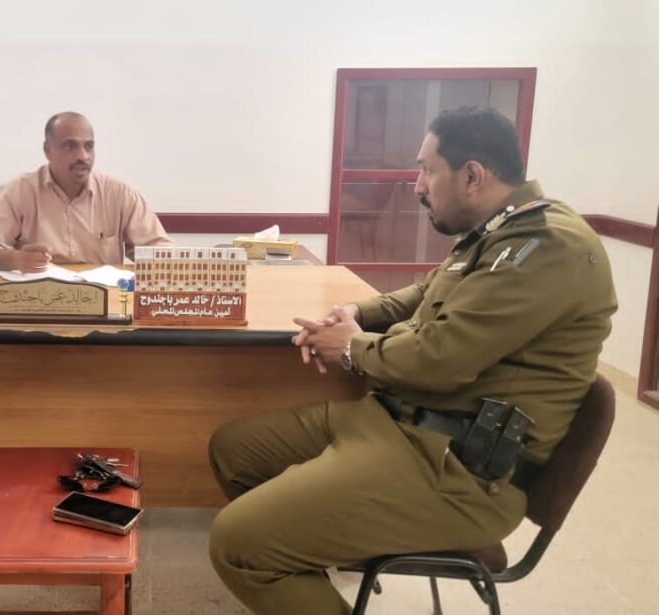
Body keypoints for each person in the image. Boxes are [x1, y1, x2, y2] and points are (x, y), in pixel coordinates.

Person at [207, 106, 617, 614]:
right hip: (397, 423)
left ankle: (284, 553)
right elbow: (427, 292)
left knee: (237, 544)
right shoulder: (494, 232)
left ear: (472, 175)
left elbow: (440, 357)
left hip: (459, 471)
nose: (417, 186)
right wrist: (357, 312)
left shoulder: (547, 246)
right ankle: (305, 556)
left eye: (427, 170)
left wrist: (352, 347)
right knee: (234, 452)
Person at [0, 112, 170, 272]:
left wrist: (171, 264)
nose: (83, 156)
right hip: (37, 301)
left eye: (88, 147)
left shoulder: (119, 194)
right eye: (70, 146)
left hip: (104, 301)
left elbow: (159, 248)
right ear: (48, 150)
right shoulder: (20, 191)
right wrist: (14, 260)